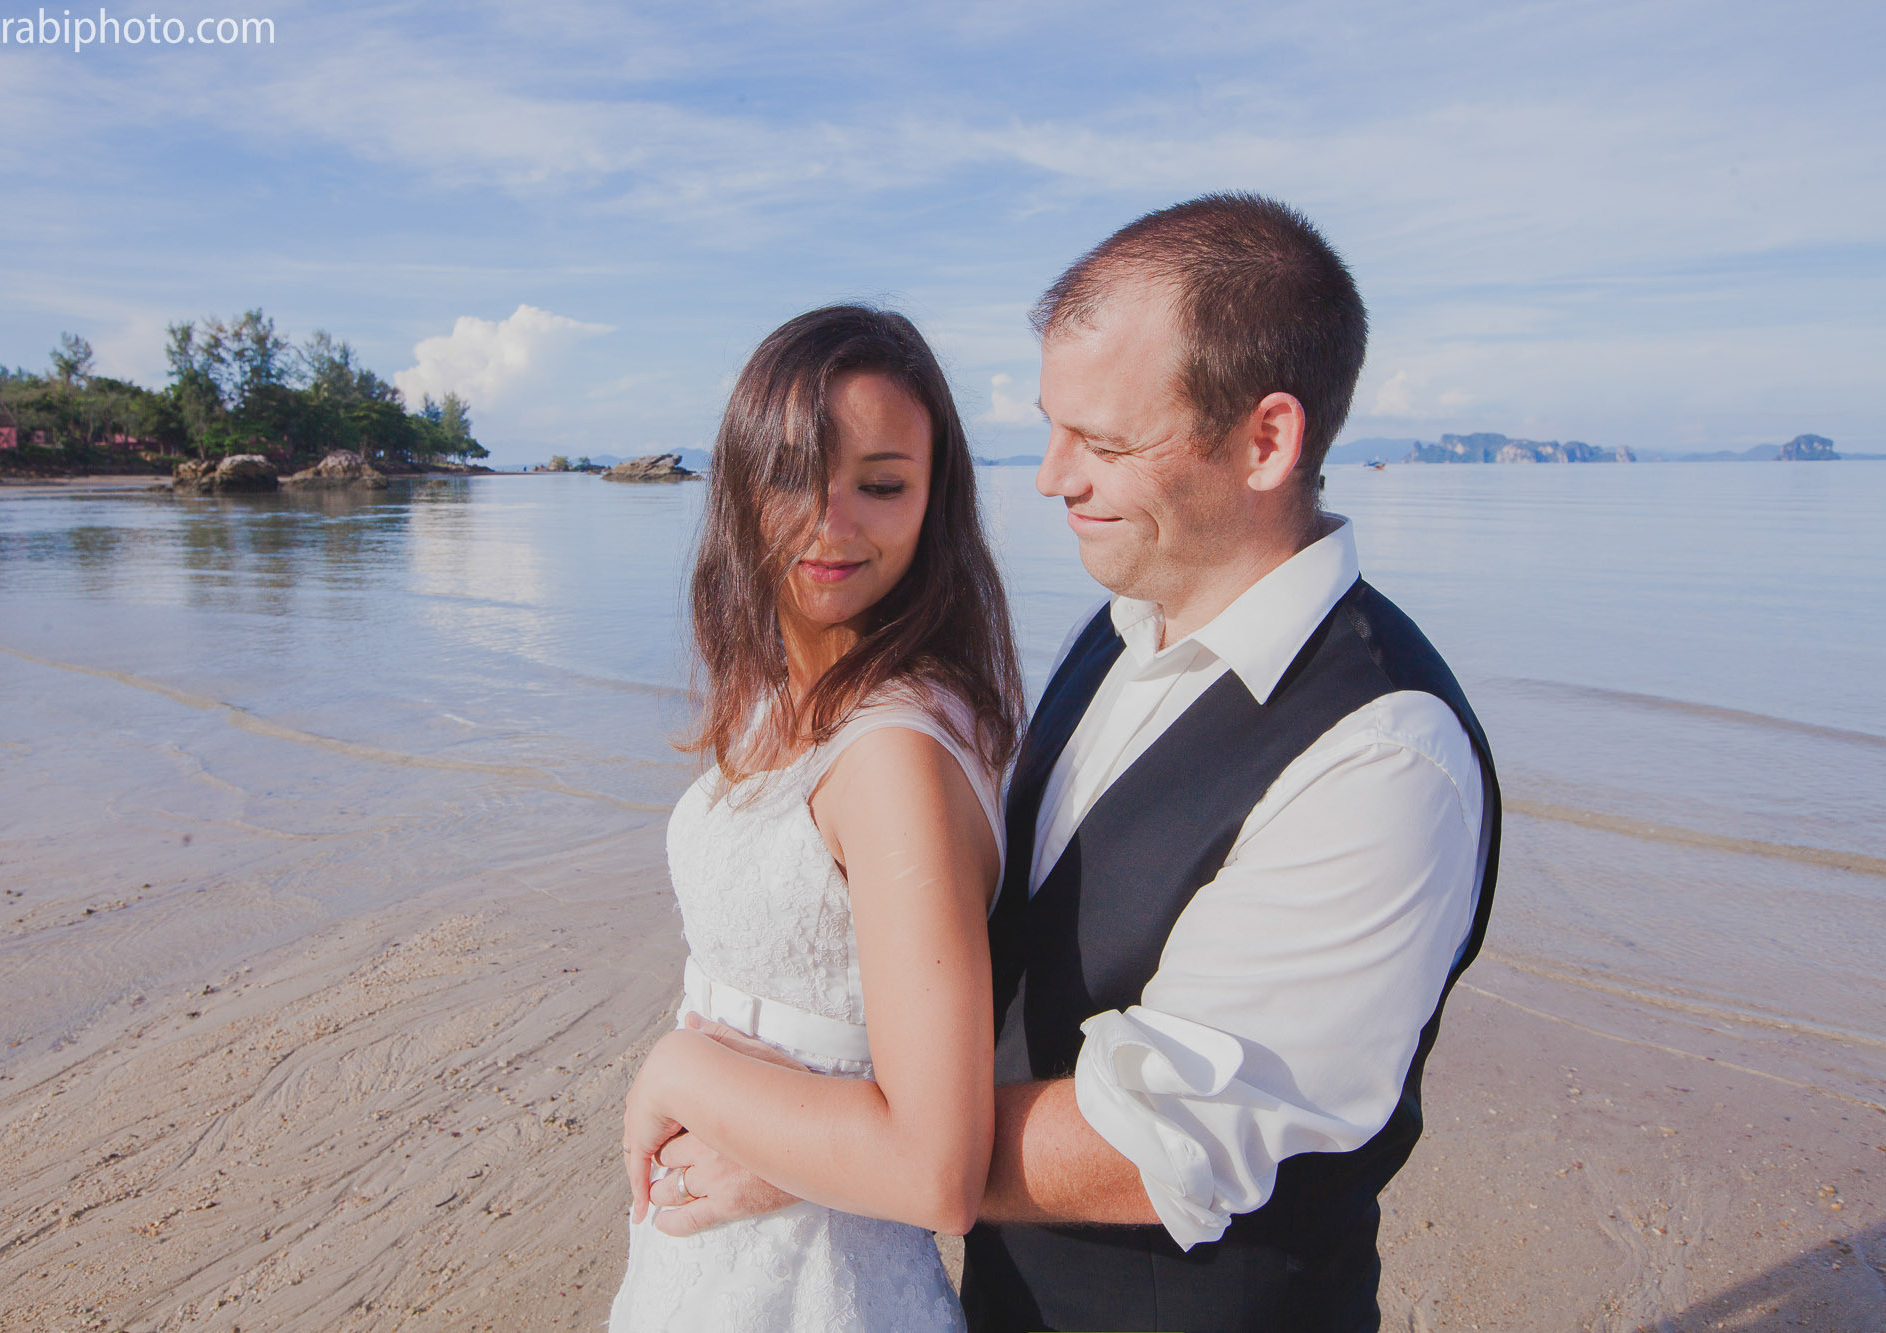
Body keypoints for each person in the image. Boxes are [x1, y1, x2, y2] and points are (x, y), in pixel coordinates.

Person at [635, 194, 1502, 1333]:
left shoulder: (1382, 755)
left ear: (1266, 440)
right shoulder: (1121, 628)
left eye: (1101, 441)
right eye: (1051, 428)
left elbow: (1157, 1144)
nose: (1049, 478)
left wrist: (791, 1137)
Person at [607, 304, 1025, 1332]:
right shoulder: (788, 691)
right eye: (793, 474)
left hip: (822, 1288)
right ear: (740, 485)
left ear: (934, 502)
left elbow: (935, 1171)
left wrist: (678, 1068)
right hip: (730, 1259)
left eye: (881, 485)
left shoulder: (891, 753)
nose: (833, 523)